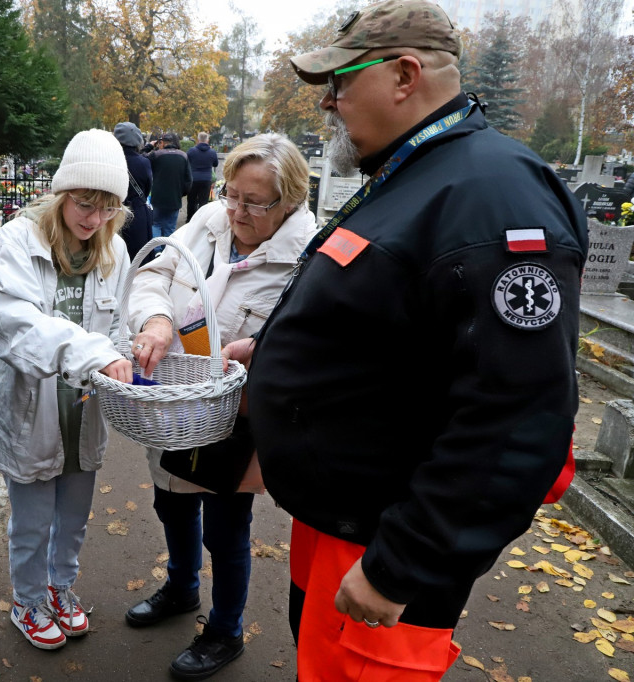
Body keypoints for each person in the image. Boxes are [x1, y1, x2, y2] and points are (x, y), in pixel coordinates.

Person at [229, 2, 589, 680]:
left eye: (340, 84)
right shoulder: (416, 170)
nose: (329, 104)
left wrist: (401, 567)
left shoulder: (495, 196)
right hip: (337, 520)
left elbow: (517, 417)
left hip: (383, 540)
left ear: (403, 75)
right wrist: (277, 353)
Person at [125, 133, 318, 680]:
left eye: (252, 203)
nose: (235, 210)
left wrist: (265, 354)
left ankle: (226, 629)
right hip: (177, 398)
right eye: (230, 193)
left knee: (227, 525)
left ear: (289, 203)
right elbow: (155, 274)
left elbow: (312, 342)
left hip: (237, 417)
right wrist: (156, 319)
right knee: (171, 500)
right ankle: (182, 586)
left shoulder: (307, 256)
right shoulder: (209, 223)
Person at [0, 129, 134, 650]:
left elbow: (119, 332)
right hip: (32, 408)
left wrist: (128, 358)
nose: (93, 218)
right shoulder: (16, 241)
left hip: (82, 411)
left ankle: (60, 587)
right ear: (61, 194)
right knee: (32, 519)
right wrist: (98, 355)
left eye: (107, 207)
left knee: (73, 512)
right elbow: (14, 325)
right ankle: (27, 600)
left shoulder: (114, 251)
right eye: (84, 203)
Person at [113, 121, 153, 262]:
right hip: (137, 212)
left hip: (112, 211)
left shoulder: (111, 160)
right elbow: (147, 188)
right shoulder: (143, 162)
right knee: (139, 257)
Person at [147, 132, 192, 238]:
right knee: (170, 227)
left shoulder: (156, 155)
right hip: (175, 198)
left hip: (158, 197)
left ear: (162, 142)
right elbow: (189, 180)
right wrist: (181, 193)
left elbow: (142, 158)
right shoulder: (183, 156)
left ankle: (156, 251)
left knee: (156, 224)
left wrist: (150, 146)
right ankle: (167, 250)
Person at [185, 132, 218, 220]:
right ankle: (201, 220)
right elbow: (215, 164)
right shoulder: (212, 152)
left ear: (198, 140)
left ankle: (190, 219)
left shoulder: (191, 151)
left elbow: (186, 162)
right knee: (203, 201)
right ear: (207, 140)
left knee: (191, 201)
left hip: (193, 179)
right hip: (206, 179)